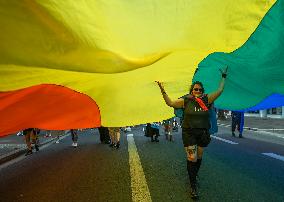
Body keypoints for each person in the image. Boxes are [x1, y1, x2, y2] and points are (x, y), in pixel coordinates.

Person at [156, 67, 227, 199]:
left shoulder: (207, 99)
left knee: (199, 158)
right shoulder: (186, 100)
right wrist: (162, 89)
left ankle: (194, 175)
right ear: (192, 90)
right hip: (189, 133)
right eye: (195, 89)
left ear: (202, 91)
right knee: (191, 158)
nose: (198, 91)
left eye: (200, 89)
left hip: (203, 134)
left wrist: (223, 76)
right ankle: (193, 184)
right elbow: (170, 102)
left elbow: (220, 90)